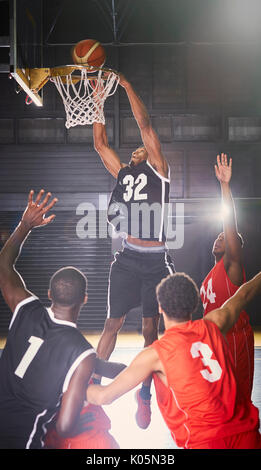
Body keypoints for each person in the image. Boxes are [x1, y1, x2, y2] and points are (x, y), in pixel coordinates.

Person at [0, 189, 125, 449]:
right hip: (23, 440)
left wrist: (25, 225)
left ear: (48, 294)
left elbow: (4, 265)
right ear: (85, 299)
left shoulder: (26, 309)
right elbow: (65, 426)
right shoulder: (81, 351)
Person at [86, 271, 261, 449]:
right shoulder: (215, 323)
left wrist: (71, 382)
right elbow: (244, 293)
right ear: (194, 304)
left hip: (205, 442)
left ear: (160, 308)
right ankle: (144, 394)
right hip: (248, 436)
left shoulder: (155, 354)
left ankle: (144, 394)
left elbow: (103, 396)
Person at [92, 73, 175, 429]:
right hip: (127, 259)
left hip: (156, 262)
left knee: (149, 334)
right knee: (111, 325)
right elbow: (99, 144)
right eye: (135, 149)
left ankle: (145, 395)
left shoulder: (160, 170)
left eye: (143, 147)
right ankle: (92, 392)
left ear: (151, 152)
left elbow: (144, 124)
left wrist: (125, 87)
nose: (137, 149)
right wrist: (97, 100)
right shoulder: (124, 173)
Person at [200, 153, 254, 399]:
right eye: (219, 236)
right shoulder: (208, 277)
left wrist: (224, 185)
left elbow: (229, 224)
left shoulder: (231, 265)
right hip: (213, 339)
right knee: (217, 401)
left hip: (233, 336)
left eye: (224, 238)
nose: (219, 237)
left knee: (236, 401)